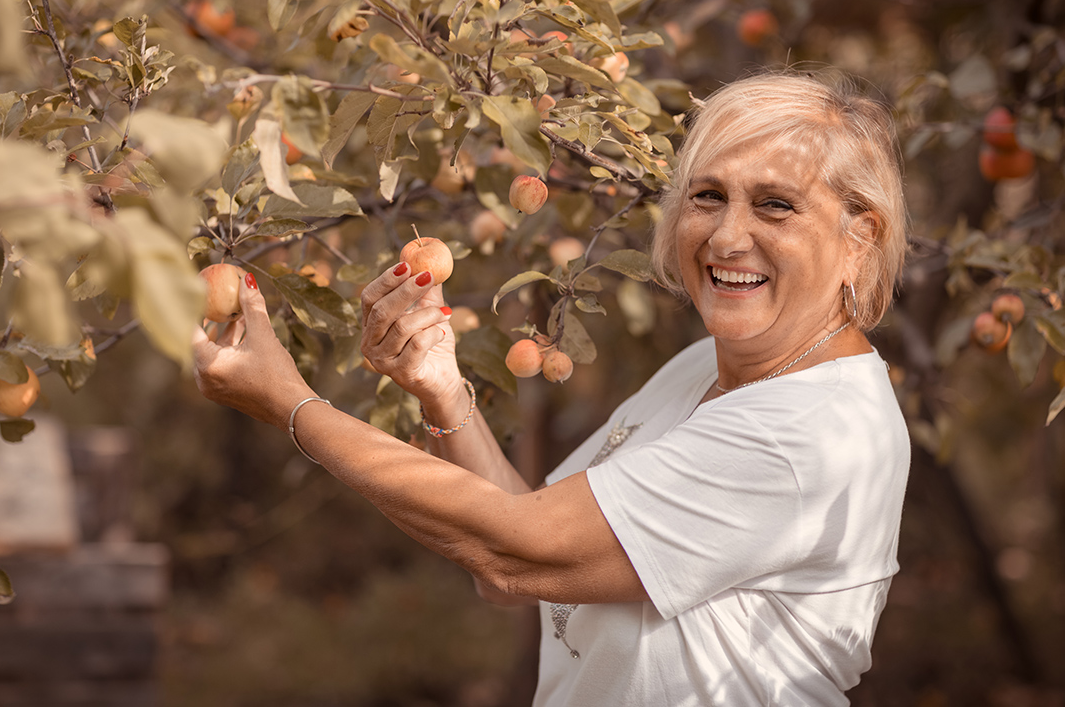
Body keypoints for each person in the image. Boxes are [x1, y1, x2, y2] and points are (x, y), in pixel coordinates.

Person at [193, 69, 910, 706]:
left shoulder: (806, 430)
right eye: (709, 195)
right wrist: (445, 392)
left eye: (775, 205)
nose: (725, 237)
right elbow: (516, 567)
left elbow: (516, 549)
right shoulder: (708, 368)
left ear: (859, 239)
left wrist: (290, 405)